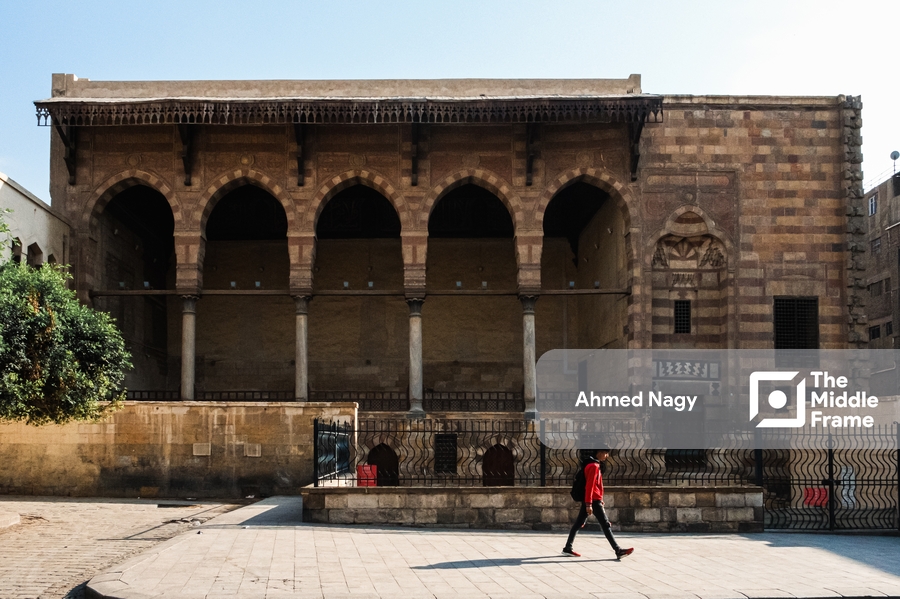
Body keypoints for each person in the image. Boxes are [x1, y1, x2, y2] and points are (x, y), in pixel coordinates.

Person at [562, 447, 634, 559]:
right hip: (593, 501)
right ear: (599, 453)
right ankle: (617, 550)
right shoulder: (594, 466)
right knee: (605, 525)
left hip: (593, 499)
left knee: (578, 524)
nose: (607, 456)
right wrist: (589, 504)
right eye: (606, 453)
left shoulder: (591, 464)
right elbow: (590, 486)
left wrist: (594, 500)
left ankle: (568, 548)